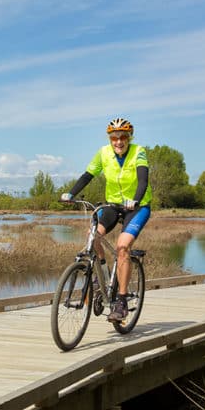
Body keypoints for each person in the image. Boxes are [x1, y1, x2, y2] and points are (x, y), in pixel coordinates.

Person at [60, 117, 152, 322]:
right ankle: (100, 274)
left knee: (122, 246)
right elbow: (88, 175)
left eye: (123, 137)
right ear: (110, 139)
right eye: (114, 138)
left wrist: (136, 200)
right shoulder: (103, 153)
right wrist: (71, 193)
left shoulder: (139, 152)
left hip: (137, 207)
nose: (118, 142)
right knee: (92, 236)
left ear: (129, 137)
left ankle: (121, 301)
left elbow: (143, 179)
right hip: (112, 205)